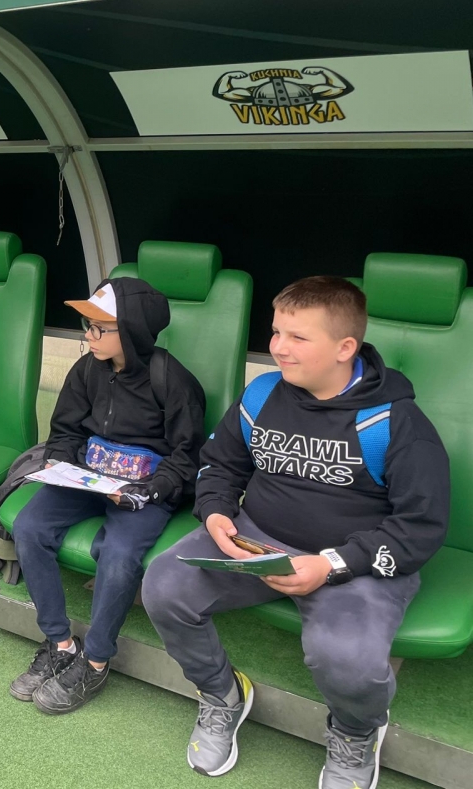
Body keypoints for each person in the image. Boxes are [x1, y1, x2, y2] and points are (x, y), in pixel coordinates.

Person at [142, 277, 449, 789]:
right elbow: (219, 465)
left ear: (344, 348)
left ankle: (355, 733)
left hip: (354, 562)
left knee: (346, 659)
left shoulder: (395, 422)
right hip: (257, 539)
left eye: (298, 337)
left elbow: (420, 527)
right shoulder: (262, 394)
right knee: (163, 586)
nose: (278, 348)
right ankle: (222, 693)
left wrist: (330, 565)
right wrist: (215, 512)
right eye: (276, 332)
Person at [10, 279, 206, 714]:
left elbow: (187, 456)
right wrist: (61, 466)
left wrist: (150, 491)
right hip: (88, 478)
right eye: (87, 325)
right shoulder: (87, 370)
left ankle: (96, 661)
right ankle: (60, 644)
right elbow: (65, 430)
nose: (89, 335)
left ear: (132, 331)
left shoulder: (172, 380)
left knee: (118, 554)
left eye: (100, 328)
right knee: (29, 526)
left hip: (143, 490)